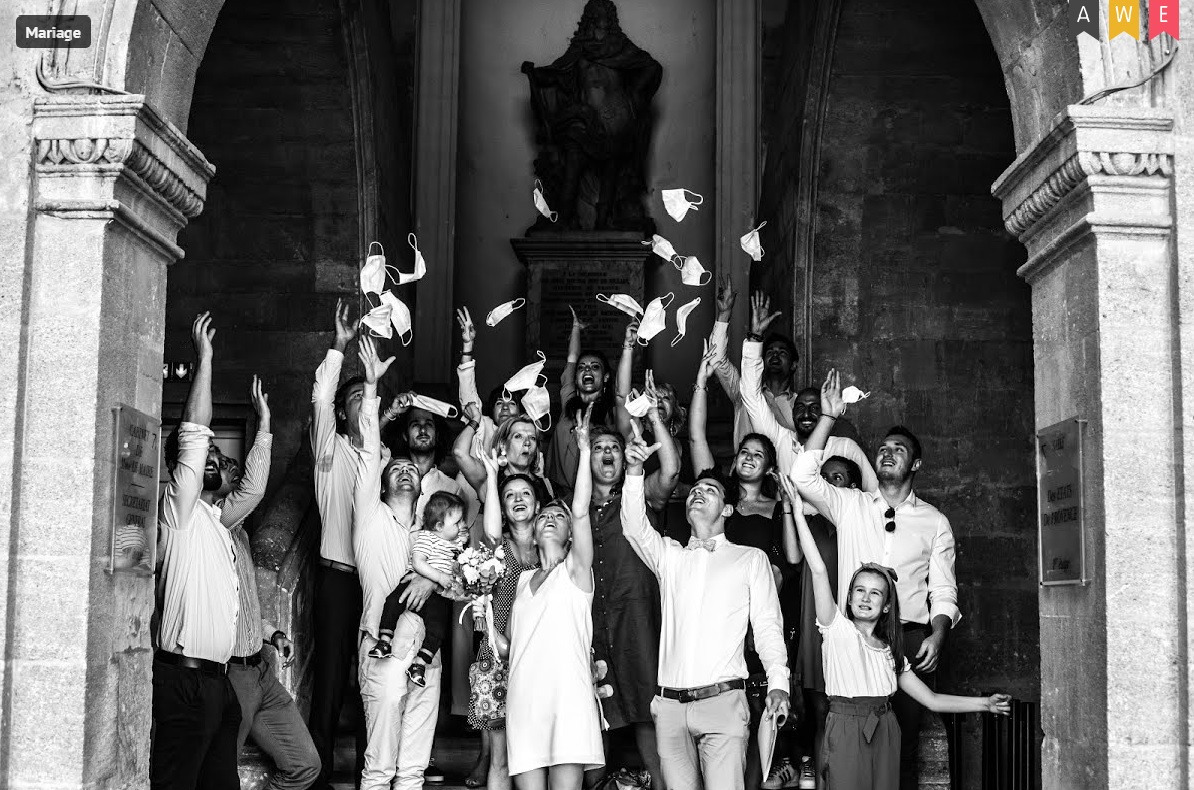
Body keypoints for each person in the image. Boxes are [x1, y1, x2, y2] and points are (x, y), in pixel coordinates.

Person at [778, 471, 1010, 790]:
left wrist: (985, 705)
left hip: (886, 730)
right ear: (848, 596)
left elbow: (930, 699)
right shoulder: (835, 629)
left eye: (875, 593)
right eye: (859, 590)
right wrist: (795, 508)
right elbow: (817, 569)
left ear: (887, 605)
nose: (865, 598)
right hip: (845, 730)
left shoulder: (890, 653)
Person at [792, 371, 962, 790]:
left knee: (898, 745)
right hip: (855, 638)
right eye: (883, 448)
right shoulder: (849, 505)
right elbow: (802, 477)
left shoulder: (934, 521)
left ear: (915, 464)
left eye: (898, 449)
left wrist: (938, 634)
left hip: (909, 637)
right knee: (845, 742)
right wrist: (828, 419)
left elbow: (943, 590)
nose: (887, 453)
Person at [619, 432, 792, 790]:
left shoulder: (750, 559)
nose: (698, 493)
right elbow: (634, 526)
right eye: (696, 490)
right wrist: (634, 470)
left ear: (728, 509)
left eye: (710, 490)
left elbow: (767, 627)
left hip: (723, 701)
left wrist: (779, 683)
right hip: (669, 706)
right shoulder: (670, 555)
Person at [490, 404, 605, 788]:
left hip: (568, 696)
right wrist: (484, 614)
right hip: (524, 697)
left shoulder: (576, 572)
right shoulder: (522, 582)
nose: (550, 519)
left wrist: (585, 450)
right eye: (543, 517)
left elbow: (582, 510)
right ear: (533, 531)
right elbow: (508, 648)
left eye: (559, 517)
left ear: (571, 533)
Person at [152, 312, 242, 790]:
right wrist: (204, 360)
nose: (212, 460)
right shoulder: (179, 509)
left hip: (217, 684)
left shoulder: (217, 523)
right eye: (203, 459)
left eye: (218, 459)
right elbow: (194, 429)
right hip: (185, 681)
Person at [352, 336, 443, 790]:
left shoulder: (433, 532)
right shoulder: (369, 519)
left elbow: (461, 582)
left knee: (412, 772)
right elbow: (370, 452)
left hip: (428, 655)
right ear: (383, 483)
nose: (406, 470)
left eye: (412, 469)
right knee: (379, 768)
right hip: (383, 650)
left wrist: (433, 582)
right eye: (397, 469)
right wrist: (371, 390)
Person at [223, 376, 322, 790]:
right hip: (229, 676)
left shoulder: (240, 534)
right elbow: (253, 490)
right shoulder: (209, 523)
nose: (230, 465)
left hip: (260, 668)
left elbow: (243, 607)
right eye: (223, 463)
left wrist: (272, 632)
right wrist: (264, 425)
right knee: (219, 772)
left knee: (305, 765)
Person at [772, 455, 862, 790]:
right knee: (820, 711)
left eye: (837, 477)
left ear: (852, 487)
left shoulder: (857, 523)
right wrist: (786, 506)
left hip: (851, 628)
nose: (828, 482)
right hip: (816, 631)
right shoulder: (807, 522)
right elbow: (793, 557)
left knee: (848, 713)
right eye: (824, 477)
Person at [733, 291, 876, 489]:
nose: (806, 413)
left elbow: (874, 493)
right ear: (792, 412)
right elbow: (750, 394)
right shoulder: (781, 440)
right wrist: (755, 338)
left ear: (825, 410)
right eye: (799, 407)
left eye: (814, 407)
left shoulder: (844, 447)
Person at [470, 466, 546, 790]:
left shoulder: (551, 550)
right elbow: (491, 531)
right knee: (500, 759)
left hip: (541, 661)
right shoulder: (497, 549)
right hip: (497, 661)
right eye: (509, 495)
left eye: (525, 493)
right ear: (501, 508)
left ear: (538, 505)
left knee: (538, 756)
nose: (518, 499)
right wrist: (490, 471)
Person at [368, 492, 466, 689]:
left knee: (439, 628)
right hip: (413, 583)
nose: (462, 525)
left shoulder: (455, 546)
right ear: (439, 527)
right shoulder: (427, 537)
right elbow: (418, 562)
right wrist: (438, 576)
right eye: (457, 522)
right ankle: (385, 640)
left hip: (437, 595)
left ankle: (420, 663)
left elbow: (460, 566)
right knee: (393, 601)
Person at [544, 309, 616, 493]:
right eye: (582, 368)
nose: (587, 371)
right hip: (558, 494)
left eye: (594, 367)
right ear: (576, 377)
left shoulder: (612, 413)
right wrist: (576, 328)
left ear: (606, 377)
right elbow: (572, 358)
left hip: (592, 495)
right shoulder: (568, 399)